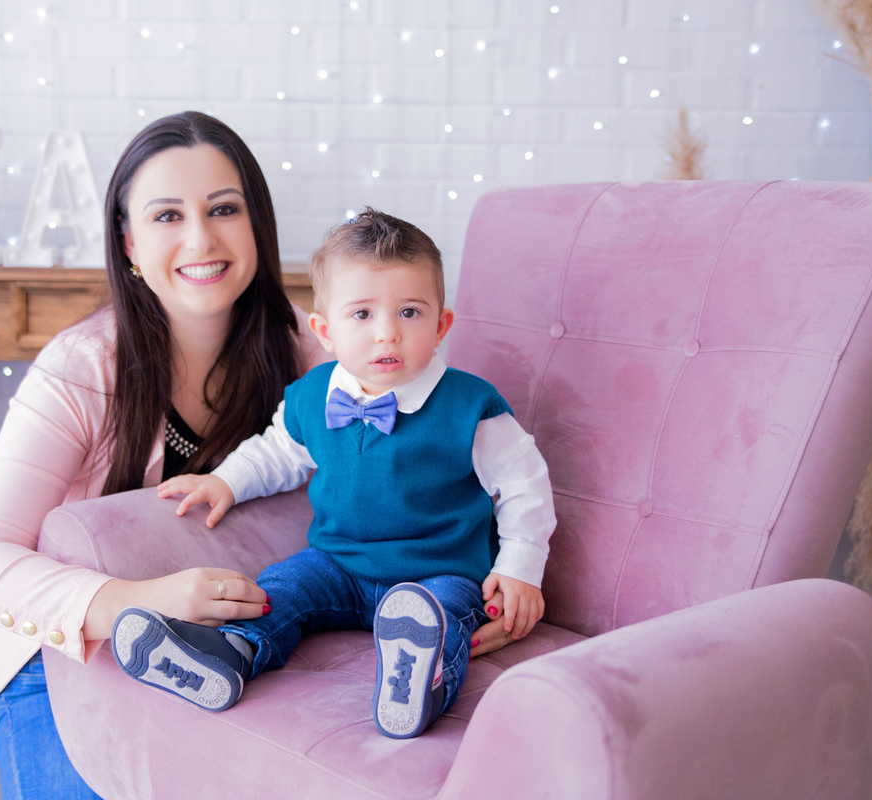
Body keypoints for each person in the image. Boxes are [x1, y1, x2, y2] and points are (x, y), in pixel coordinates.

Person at [0, 112, 326, 799]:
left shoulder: (301, 349)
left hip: (225, 640)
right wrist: (135, 603)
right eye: (167, 215)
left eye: (223, 209)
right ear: (128, 243)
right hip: (62, 648)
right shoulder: (83, 366)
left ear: (257, 225)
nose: (201, 238)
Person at [114, 208, 556, 739]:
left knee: (444, 615)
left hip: (440, 572)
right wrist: (225, 480)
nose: (388, 334)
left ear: (441, 325)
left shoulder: (472, 408)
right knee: (281, 588)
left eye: (410, 313)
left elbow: (525, 488)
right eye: (363, 315)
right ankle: (230, 654)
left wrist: (521, 569)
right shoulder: (313, 395)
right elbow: (278, 451)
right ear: (325, 330)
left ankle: (417, 682)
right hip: (339, 564)